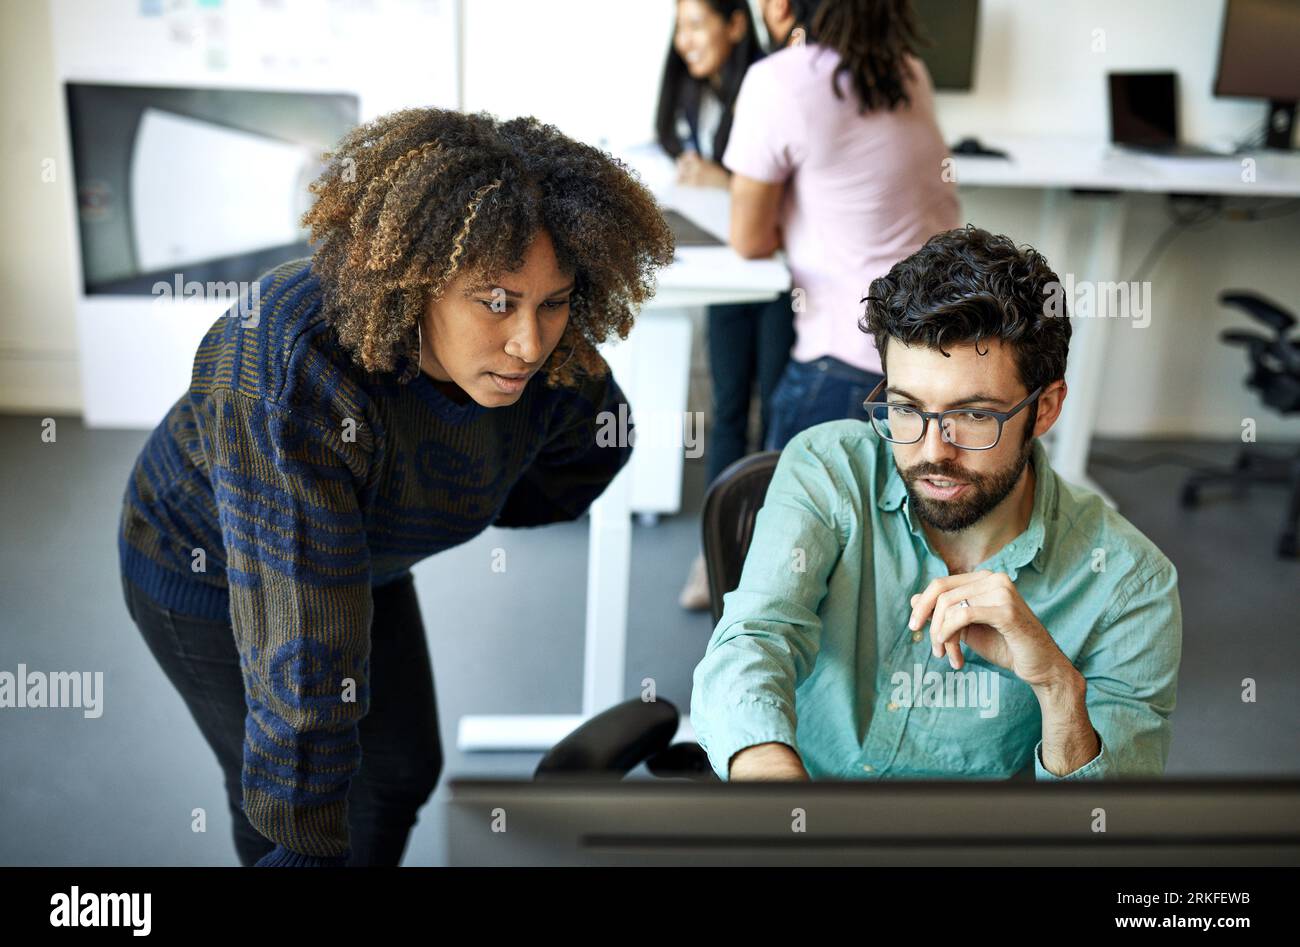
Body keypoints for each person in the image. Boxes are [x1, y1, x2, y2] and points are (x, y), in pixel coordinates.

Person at [117, 107, 675, 865]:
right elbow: (303, 659)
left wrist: (459, 498)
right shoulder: (289, 367)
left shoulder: (555, 362)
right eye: (496, 300)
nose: (529, 343)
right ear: (419, 280)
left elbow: (591, 455)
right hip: (208, 563)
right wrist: (304, 846)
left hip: (356, 554)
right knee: (285, 803)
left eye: (554, 302)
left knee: (399, 773)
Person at [691, 226, 1183, 783]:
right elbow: (757, 638)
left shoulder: (1129, 584)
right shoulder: (829, 468)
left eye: (974, 416)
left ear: (1044, 410)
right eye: (906, 409)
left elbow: (1105, 829)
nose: (931, 453)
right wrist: (776, 794)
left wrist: (1056, 685)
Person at [725, 0, 962, 449]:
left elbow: (748, 239)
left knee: (801, 515)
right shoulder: (909, 71)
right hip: (933, 359)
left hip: (845, 368)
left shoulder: (780, 78)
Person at [658, 0, 797, 609]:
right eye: (679, 28)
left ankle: (771, 561)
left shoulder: (771, 86)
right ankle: (713, 557)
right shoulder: (696, 92)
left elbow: (782, 184)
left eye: (696, 25)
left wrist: (721, 178)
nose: (685, 40)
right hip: (729, 273)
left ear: (736, 25)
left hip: (776, 275)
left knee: (773, 409)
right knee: (727, 406)